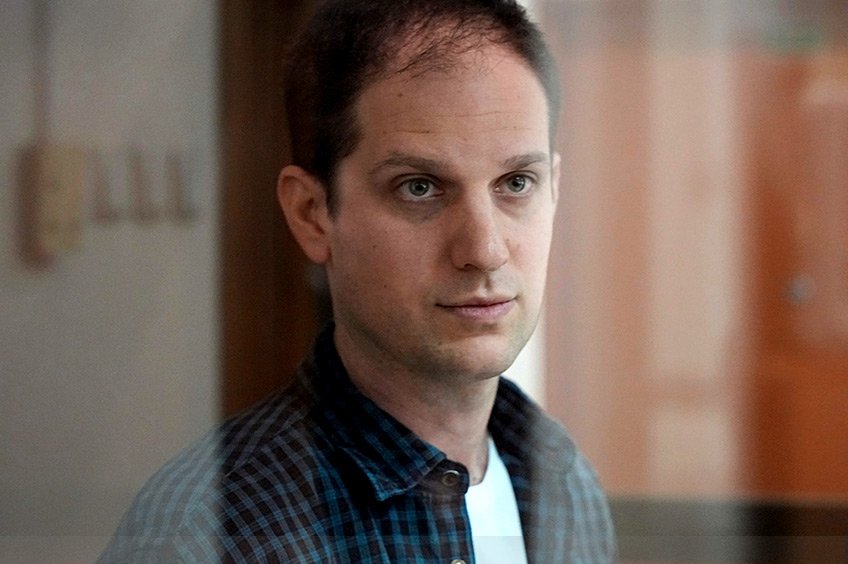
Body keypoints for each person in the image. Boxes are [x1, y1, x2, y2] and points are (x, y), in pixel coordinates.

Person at [99, 0, 615, 562]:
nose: (485, 252)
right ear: (312, 214)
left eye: (517, 183)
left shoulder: (562, 483)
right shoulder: (209, 536)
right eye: (420, 187)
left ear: (555, 189)